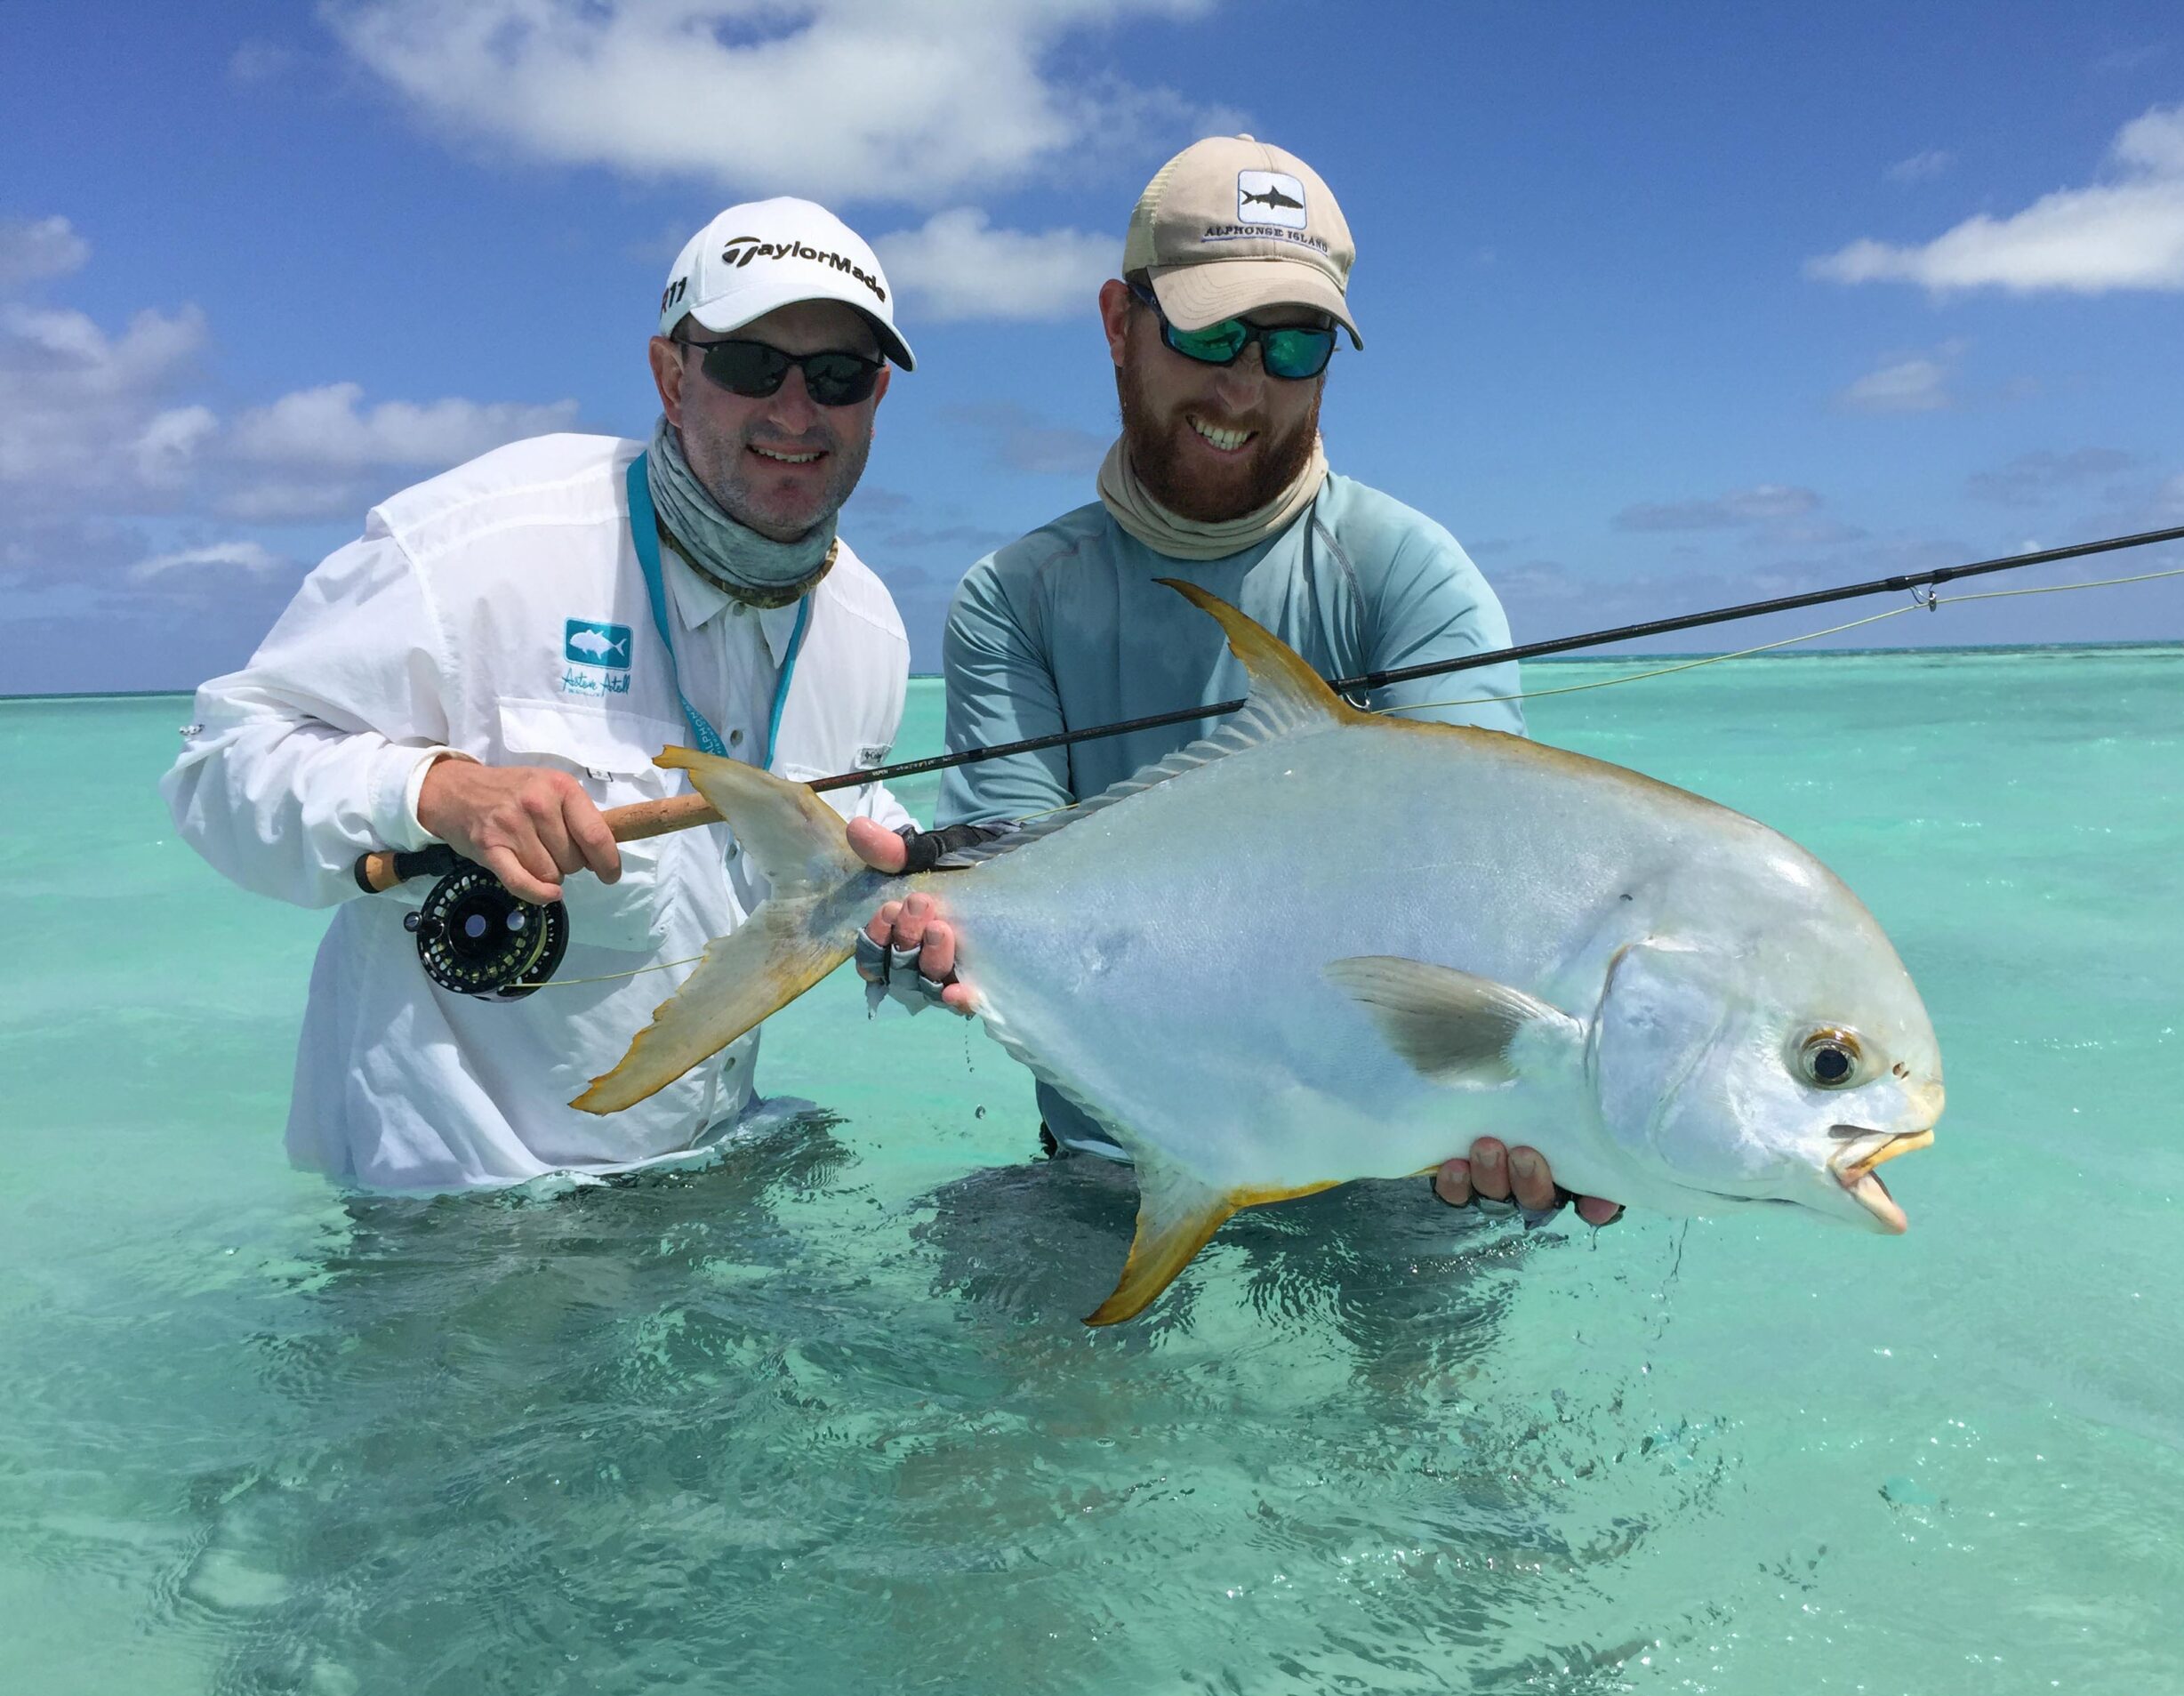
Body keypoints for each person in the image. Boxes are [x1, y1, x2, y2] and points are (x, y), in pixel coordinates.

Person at [847, 136, 1621, 1228]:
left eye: (1294, 344)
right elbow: (1003, 889)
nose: (1243, 386)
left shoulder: (1409, 574)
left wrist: (1581, 1113)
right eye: (1209, 330)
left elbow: (1499, 892)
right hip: (1108, 1152)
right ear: (1120, 323)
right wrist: (925, 941)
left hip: (1389, 1165)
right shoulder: (1015, 597)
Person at [165, 198, 922, 1192]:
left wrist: (908, 915)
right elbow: (219, 769)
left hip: (706, 1176)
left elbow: (854, 823)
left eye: (836, 376)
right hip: (455, 1207)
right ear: (670, 375)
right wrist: (432, 793)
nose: (794, 411)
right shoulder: (481, 548)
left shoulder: (867, 625)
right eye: (749, 366)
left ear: (874, 397)